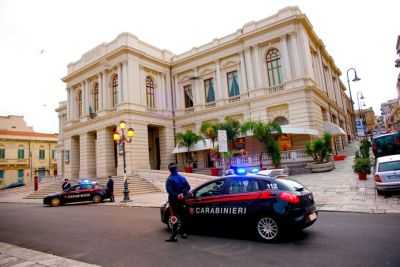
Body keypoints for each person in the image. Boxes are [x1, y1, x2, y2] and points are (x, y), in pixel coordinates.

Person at [165, 163, 191, 242]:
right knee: (183, 216)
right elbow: (188, 187)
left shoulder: (169, 179)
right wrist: (182, 194)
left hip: (174, 201)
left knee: (174, 217)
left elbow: (169, 191)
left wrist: (177, 195)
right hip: (182, 200)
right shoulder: (182, 178)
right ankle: (183, 233)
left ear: (169, 170)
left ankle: (174, 236)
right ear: (177, 169)